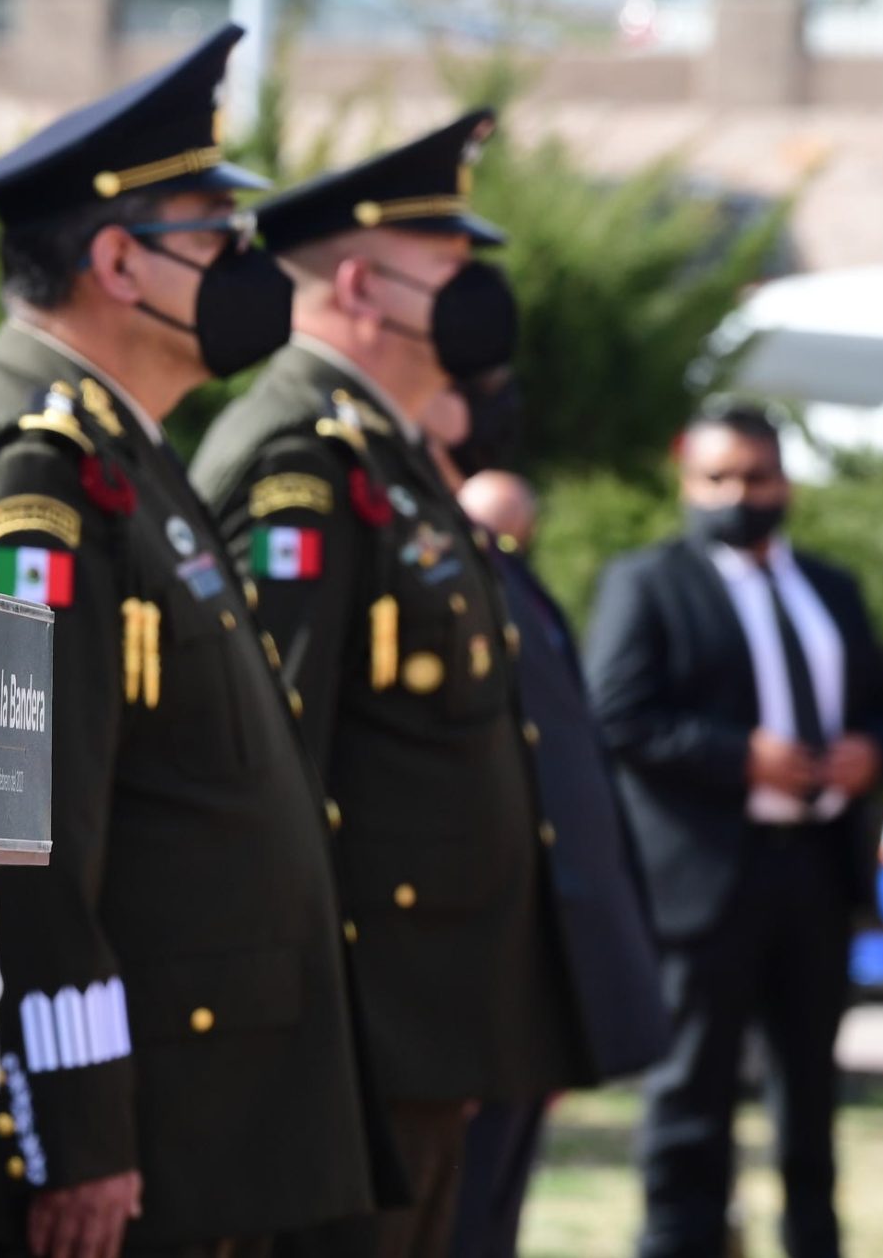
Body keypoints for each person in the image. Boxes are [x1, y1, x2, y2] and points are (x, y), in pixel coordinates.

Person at [0, 25, 381, 1258]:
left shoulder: (119, 447)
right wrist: (79, 1122)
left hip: (207, 1101)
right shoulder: (38, 473)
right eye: (214, 238)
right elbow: (25, 827)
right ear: (118, 259)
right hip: (135, 1127)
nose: (245, 267)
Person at [190, 114, 588, 1258]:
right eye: (450, 273)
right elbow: (278, 760)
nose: (476, 300)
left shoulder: (384, 448)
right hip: (362, 1021)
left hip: (430, 1016)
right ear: (360, 284)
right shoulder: (299, 462)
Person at [587, 403, 883, 1258]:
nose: (739, 493)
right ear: (689, 482)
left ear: (784, 482)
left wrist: (867, 752)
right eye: (718, 478)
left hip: (814, 871)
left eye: (756, 477)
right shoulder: (648, 581)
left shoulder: (830, 588)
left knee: (810, 1097)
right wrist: (743, 758)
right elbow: (618, 715)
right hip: (705, 876)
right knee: (689, 1095)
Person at [446, 463, 672, 1258]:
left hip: (536, 939)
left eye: (508, 531)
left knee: (497, 1198)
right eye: (480, 527)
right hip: (471, 947)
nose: (493, 545)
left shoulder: (524, 597)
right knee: (458, 1203)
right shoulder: (457, 595)